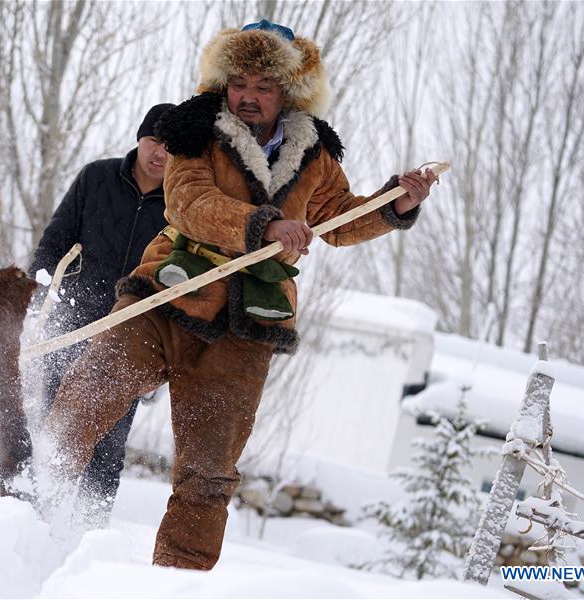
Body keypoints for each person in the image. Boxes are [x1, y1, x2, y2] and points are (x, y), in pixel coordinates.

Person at [36, 20, 436, 569]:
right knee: (79, 405)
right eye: (240, 82)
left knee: (209, 472)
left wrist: (396, 205)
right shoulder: (194, 128)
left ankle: (178, 581)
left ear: (289, 91)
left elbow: (339, 221)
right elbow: (189, 202)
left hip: (245, 328)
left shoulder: (314, 153)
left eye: (263, 86)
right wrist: (264, 225)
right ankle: (22, 518)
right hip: (164, 298)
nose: (248, 96)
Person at [26, 102, 175, 523]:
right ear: (139, 139)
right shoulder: (97, 178)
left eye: (170, 146)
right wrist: (33, 302)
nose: (159, 153)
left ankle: (87, 535)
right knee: (54, 433)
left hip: (129, 342)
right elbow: (54, 243)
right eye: (153, 141)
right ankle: (29, 520)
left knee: (107, 448)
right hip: (72, 323)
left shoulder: (182, 205)